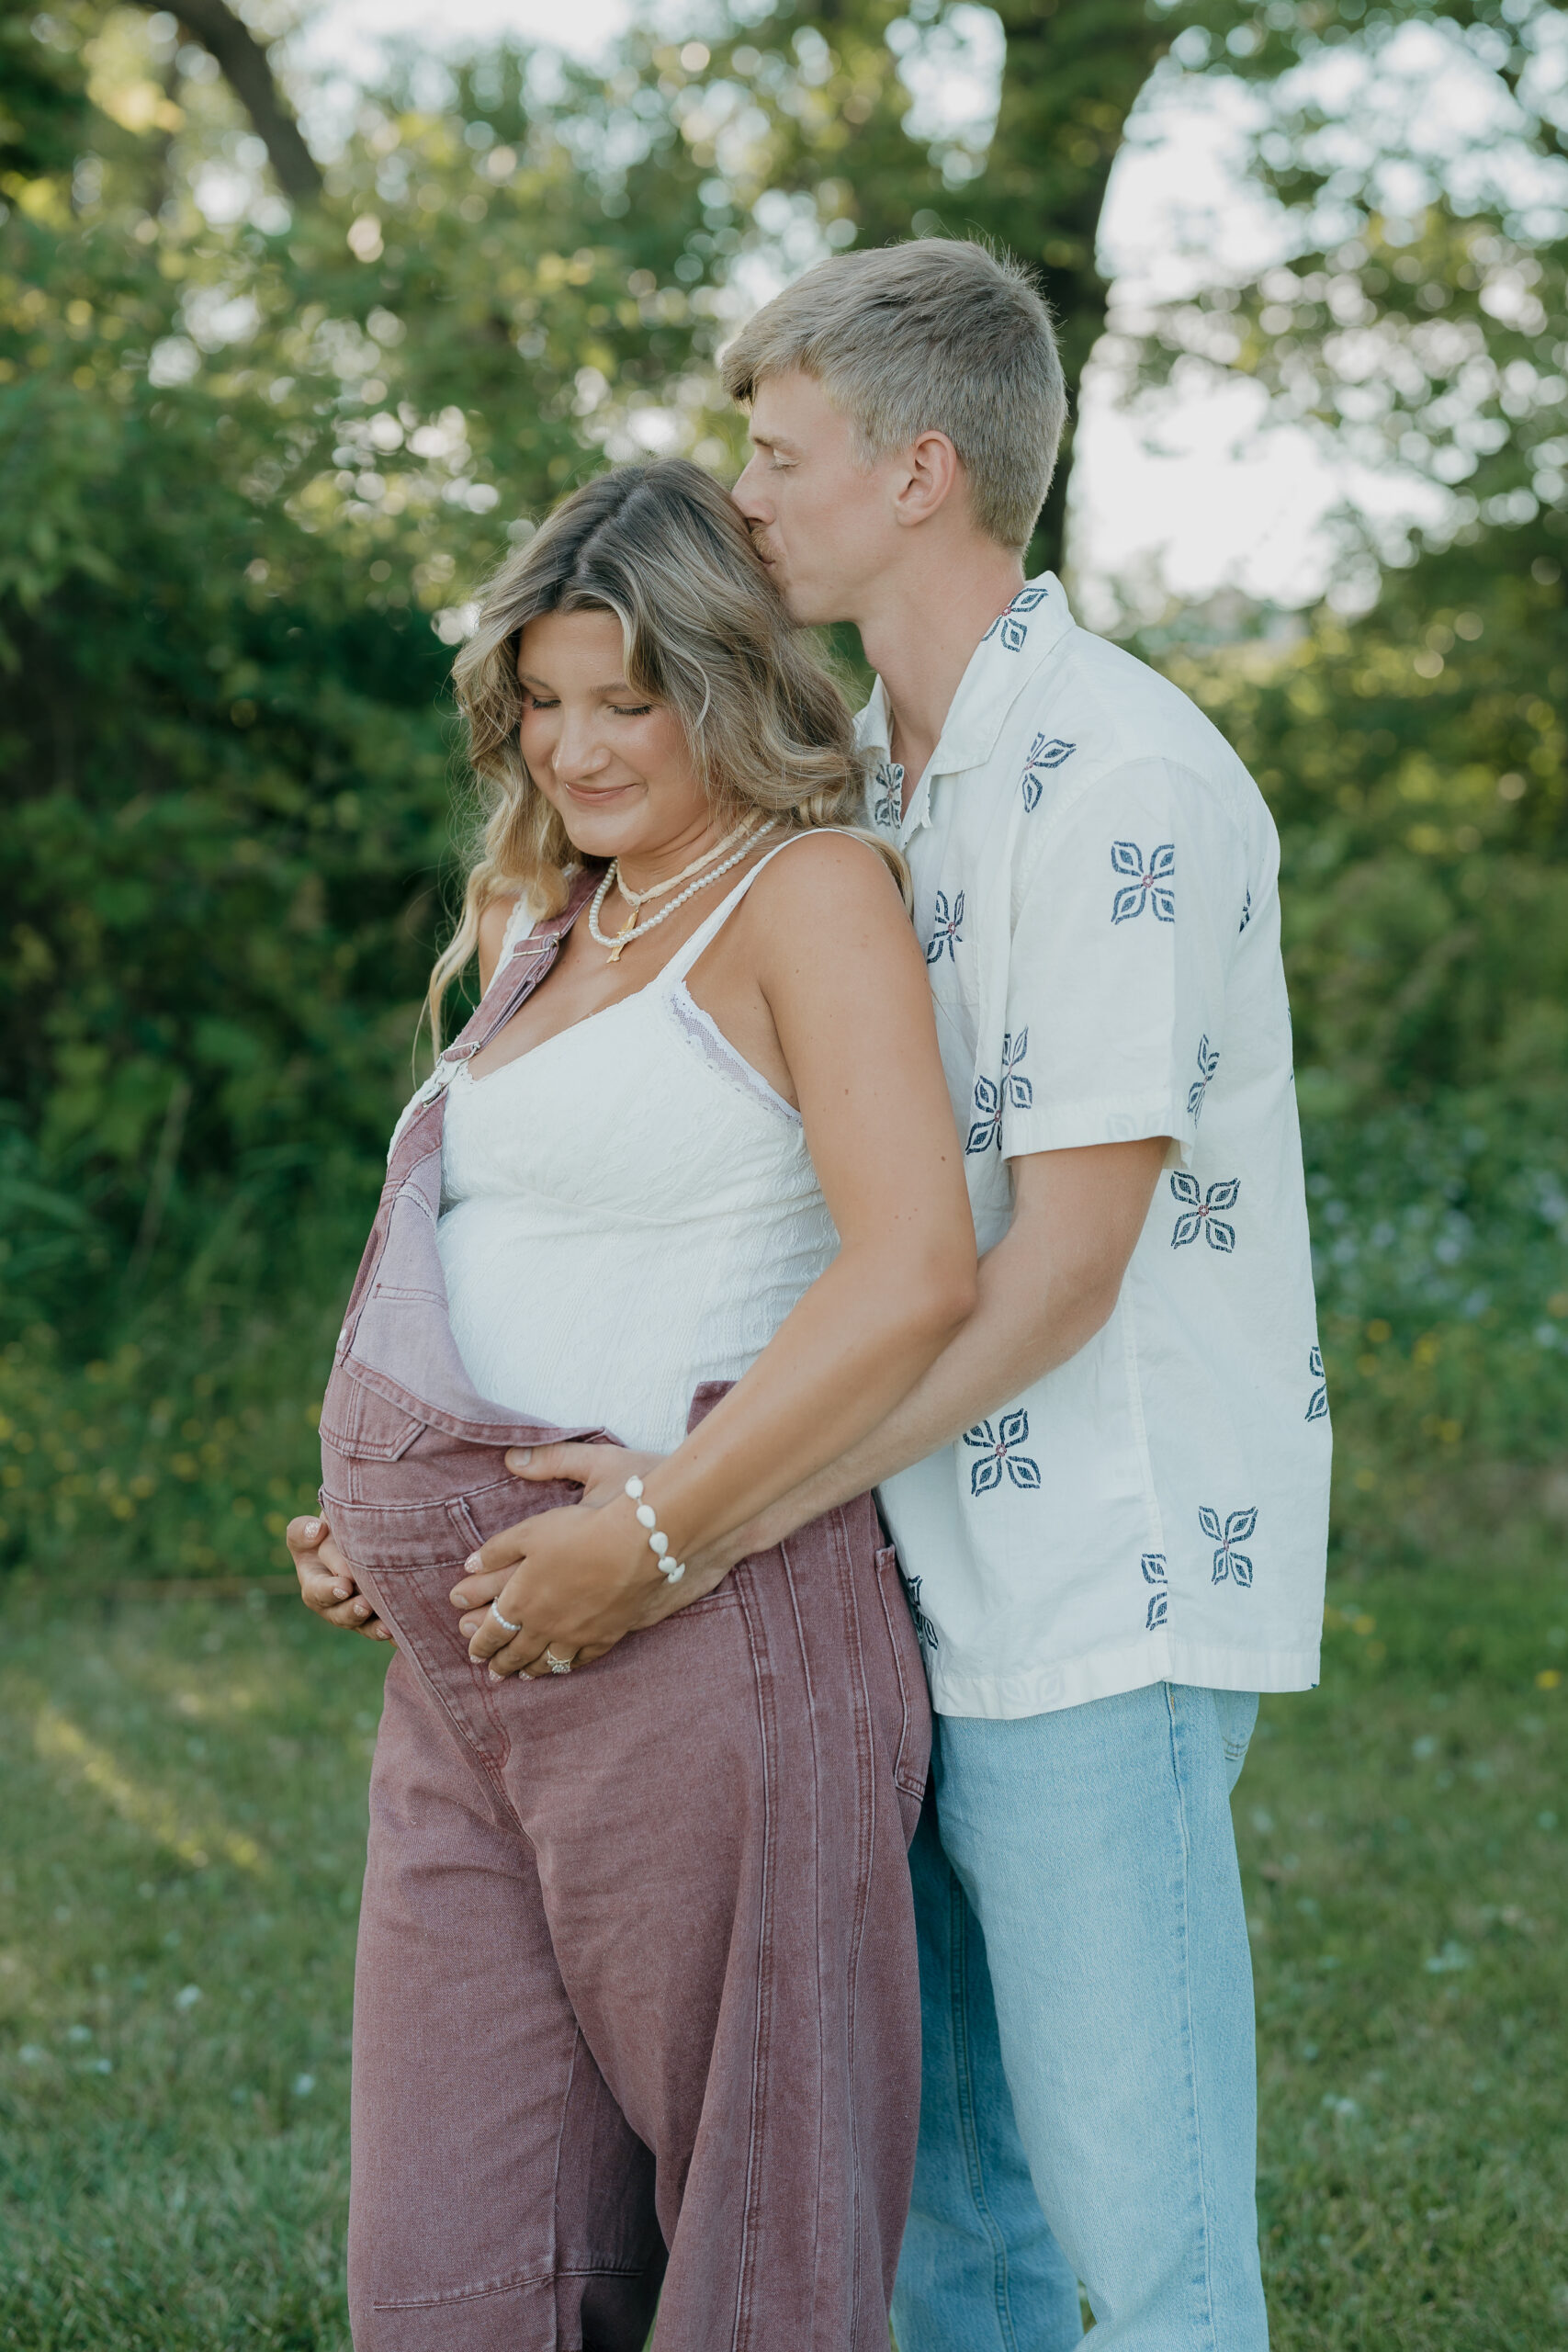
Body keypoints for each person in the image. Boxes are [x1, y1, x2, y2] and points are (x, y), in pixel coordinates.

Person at [444, 240, 1332, 2348]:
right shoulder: (881, 791)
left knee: (1144, 2235)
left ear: (917, 472)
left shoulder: (1118, 782)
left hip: (1089, 1595)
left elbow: (1054, 1273)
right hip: (899, 1585)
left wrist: (690, 1516)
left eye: (778, 456)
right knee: (954, 2219)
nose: (738, 502)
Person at [287, 458, 976, 2349]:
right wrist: (380, 1512)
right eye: (542, 696)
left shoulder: (803, 893)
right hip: (472, 1671)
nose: (575, 743)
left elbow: (916, 1264)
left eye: (628, 696)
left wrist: (657, 1526)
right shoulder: (547, 915)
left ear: (723, 681)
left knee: (759, 2244)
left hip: (711, 1636)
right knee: (451, 2257)